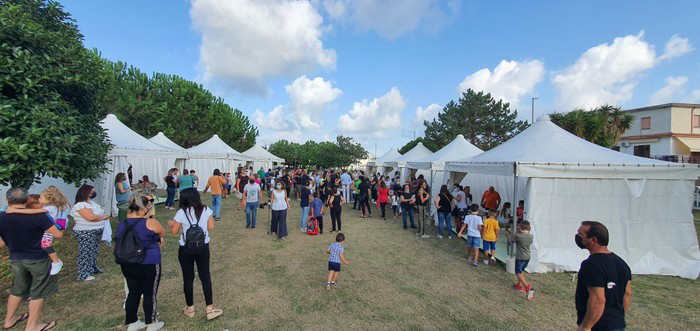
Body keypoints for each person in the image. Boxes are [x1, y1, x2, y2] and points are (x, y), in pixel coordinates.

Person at [0, 188, 63, 331]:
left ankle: (9, 320)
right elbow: (58, 234)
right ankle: (32, 326)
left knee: (17, 290)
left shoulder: (2, 217)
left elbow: (2, 242)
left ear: (7, 200)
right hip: (38, 258)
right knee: (37, 292)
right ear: (26, 200)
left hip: (16, 258)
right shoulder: (39, 216)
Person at [167, 188, 223, 321]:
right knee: (205, 276)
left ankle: (190, 308)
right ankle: (209, 308)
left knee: (188, 277)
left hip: (185, 249)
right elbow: (211, 227)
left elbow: (174, 232)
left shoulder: (181, 212)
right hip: (203, 247)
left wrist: (171, 224)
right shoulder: (206, 210)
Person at [116, 193, 166, 331]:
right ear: (143, 208)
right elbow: (162, 232)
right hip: (148, 262)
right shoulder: (150, 222)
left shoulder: (122, 224)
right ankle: (152, 322)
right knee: (150, 292)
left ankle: (132, 322)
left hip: (128, 263)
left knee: (133, 292)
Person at [575, 221, 632, 331]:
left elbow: (598, 299)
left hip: (598, 326)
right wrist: (617, 318)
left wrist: (586, 326)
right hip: (618, 325)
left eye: (580, 235)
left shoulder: (591, 265)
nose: (577, 237)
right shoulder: (621, 263)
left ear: (593, 240)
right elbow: (628, 293)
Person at [71, 185, 110, 281]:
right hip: (85, 231)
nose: (94, 193)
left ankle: (92, 268)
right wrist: (103, 217)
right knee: (85, 252)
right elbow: (90, 217)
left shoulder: (92, 203)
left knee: (93, 251)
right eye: (92, 191)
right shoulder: (80, 205)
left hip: (96, 231)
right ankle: (83, 273)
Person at [509, 221, 534, 301]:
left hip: (520, 257)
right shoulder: (531, 236)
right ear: (529, 228)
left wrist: (516, 231)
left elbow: (512, 240)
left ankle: (527, 286)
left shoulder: (519, 236)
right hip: (528, 257)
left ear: (520, 228)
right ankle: (518, 286)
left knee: (518, 272)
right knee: (522, 270)